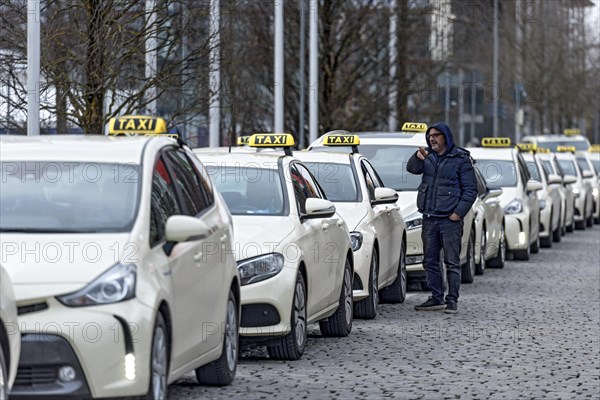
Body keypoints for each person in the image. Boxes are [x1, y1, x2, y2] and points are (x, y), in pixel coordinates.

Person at [406, 122, 477, 314]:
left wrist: (457, 213)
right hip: (429, 217)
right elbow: (412, 169)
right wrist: (417, 157)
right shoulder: (427, 157)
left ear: (446, 136)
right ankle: (436, 297)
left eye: (436, 135)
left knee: (452, 261)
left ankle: (451, 300)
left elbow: (471, 190)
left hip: (449, 220)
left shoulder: (460, 159)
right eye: (430, 135)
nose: (432, 138)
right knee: (429, 260)